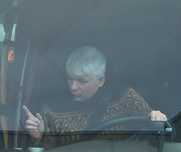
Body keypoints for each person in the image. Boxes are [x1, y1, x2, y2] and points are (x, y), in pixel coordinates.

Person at [23, 46, 166, 143]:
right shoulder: (52, 109)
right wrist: (38, 137)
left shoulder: (124, 97)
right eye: (70, 78)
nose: (73, 87)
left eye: (81, 81)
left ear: (100, 80)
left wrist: (157, 119)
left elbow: (154, 127)